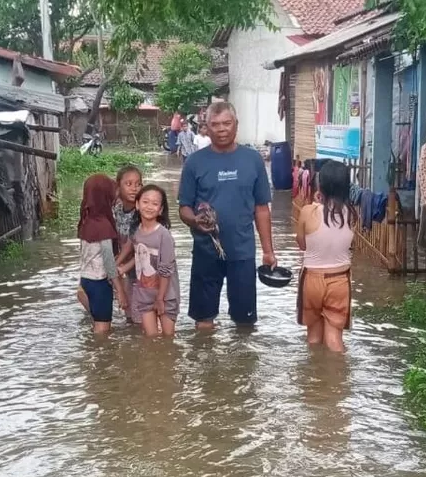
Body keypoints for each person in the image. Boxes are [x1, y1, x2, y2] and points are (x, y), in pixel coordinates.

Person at [178, 101, 276, 330]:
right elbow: (184, 208)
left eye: (226, 123)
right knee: (204, 321)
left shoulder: (253, 159)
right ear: (206, 127)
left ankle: (241, 365)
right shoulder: (194, 162)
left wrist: (269, 252)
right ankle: (205, 364)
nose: (221, 129)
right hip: (205, 250)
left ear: (236, 125)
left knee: (245, 322)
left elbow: (262, 208)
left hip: (242, 252)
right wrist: (195, 220)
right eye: (215, 124)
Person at [295, 161, 356, 352]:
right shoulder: (352, 215)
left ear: (320, 187)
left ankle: (315, 378)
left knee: (313, 338)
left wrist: (316, 203)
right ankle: (337, 378)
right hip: (339, 281)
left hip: (311, 279)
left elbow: (302, 244)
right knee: (334, 339)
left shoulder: (308, 212)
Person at [118, 185, 180, 337]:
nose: (149, 207)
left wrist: (160, 298)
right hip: (144, 293)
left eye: (155, 203)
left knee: (168, 339)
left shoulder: (164, 235)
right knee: (150, 340)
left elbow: (166, 270)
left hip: (166, 295)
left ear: (160, 209)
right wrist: (122, 268)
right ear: (137, 205)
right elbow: (139, 256)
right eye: (145, 202)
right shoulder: (136, 232)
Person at [76, 174, 128, 334]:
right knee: (102, 332)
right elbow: (109, 263)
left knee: (97, 324)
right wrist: (120, 291)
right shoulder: (103, 225)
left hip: (86, 280)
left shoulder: (85, 220)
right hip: (100, 284)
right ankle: (101, 357)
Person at [113, 165, 143, 323]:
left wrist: (120, 267)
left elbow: (144, 250)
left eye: (138, 184)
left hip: (147, 274)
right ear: (118, 186)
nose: (134, 189)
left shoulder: (144, 213)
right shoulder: (117, 210)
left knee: (143, 319)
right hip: (130, 274)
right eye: (129, 184)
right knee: (130, 317)